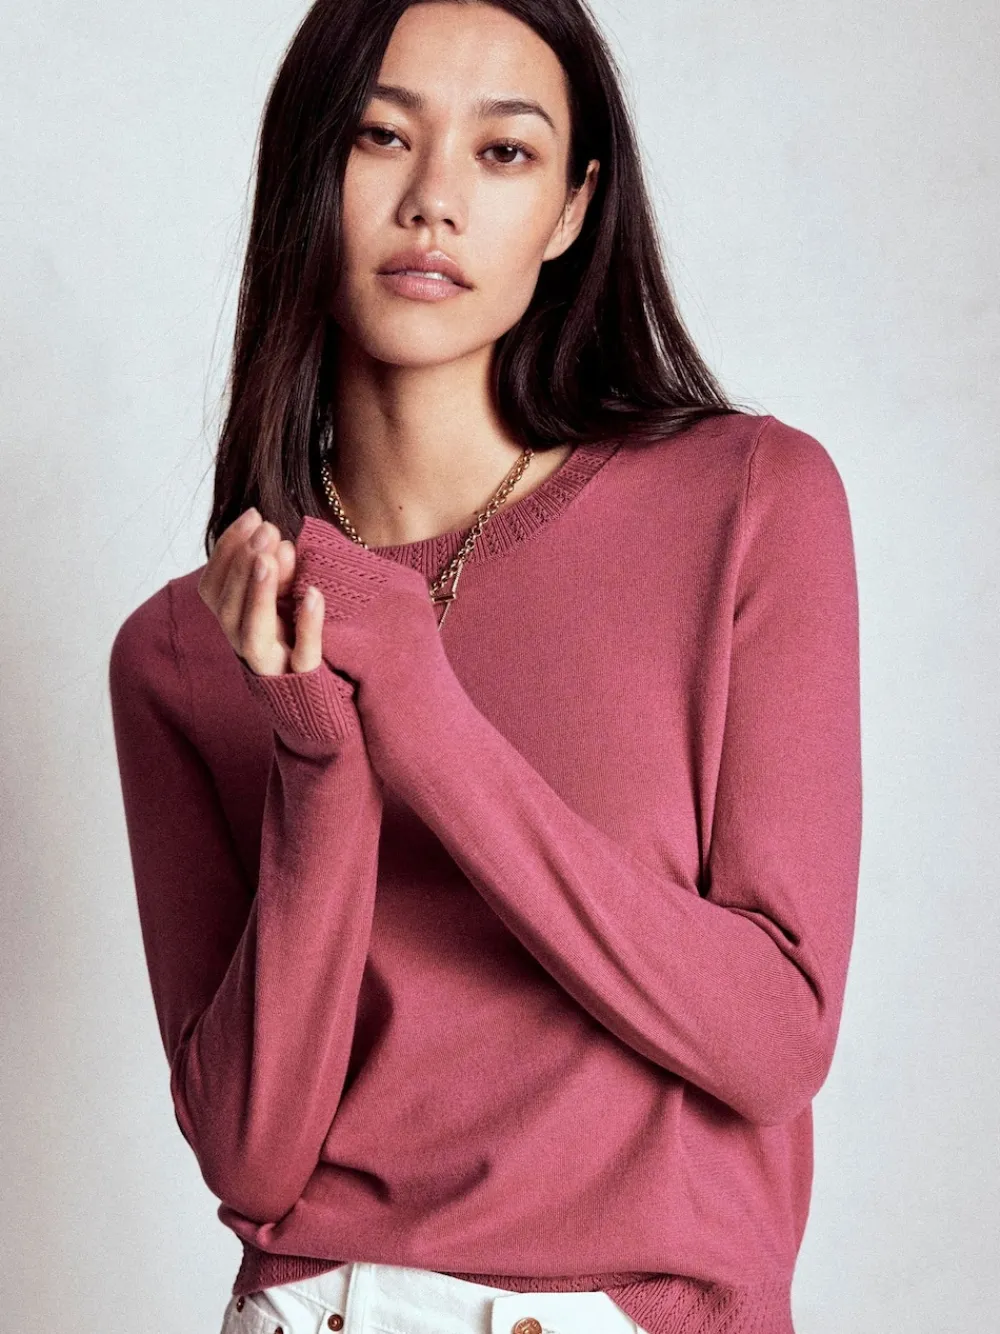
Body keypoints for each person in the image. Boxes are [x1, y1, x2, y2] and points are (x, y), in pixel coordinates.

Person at [107, 1, 863, 1332]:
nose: (435, 201)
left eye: (503, 152)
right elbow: (251, 1158)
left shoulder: (748, 501)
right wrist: (318, 760)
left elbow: (772, 1042)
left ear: (572, 210)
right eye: (380, 137)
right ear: (305, 172)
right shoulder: (188, 645)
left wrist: (421, 712)